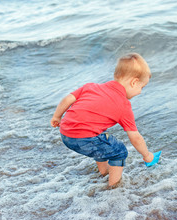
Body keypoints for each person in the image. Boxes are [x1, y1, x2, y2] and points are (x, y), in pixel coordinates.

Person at [50, 53, 155, 186]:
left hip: (65, 134)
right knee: (119, 151)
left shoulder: (91, 87)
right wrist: (147, 155)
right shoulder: (123, 105)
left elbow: (68, 99)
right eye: (142, 87)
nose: (140, 91)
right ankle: (114, 186)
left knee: (102, 139)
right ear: (134, 82)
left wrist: (57, 117)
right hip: (84, 138)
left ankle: (104, 173)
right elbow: (135, 137)